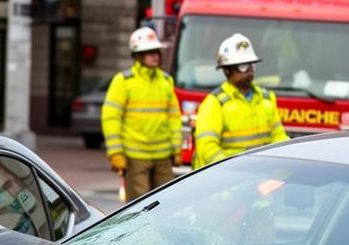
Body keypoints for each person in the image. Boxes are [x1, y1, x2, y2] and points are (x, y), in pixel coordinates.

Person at [101, 26, 181, 201]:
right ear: (137, 55)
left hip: (163, 157)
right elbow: (111, 117)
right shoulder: (123, 82)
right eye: (148, 52)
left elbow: (174, 118)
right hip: (136, 158)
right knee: (140, 207)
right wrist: (116, 153)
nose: (154, 56)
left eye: (156, 51)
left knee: (166, 204)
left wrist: (176, 149)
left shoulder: (166, 81)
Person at [193, 33, 287, 168]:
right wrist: (229, 169)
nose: (249, 71)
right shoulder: (215, 103)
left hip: (260, 172)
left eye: (251, 65)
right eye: (242, 66)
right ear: (226, 70)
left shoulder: (266, 98)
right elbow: (207, 145)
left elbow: (278, 136)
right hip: (227, 179)